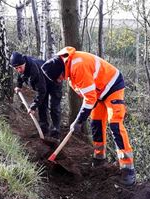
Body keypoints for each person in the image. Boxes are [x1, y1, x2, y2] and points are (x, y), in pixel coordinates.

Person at [41, 46, 136, 186]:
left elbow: (89, 99)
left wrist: (79, 121)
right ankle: (99, 160)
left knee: (115, 124)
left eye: (58, 78)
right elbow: (89, 96)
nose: (60, 81)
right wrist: (81, 118)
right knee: (96, 123)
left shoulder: (77, 66)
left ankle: (128, 169)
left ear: (61, 71)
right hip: (98, 93)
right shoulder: (67, 68)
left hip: (112, 86)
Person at [10, 51, 62, 141]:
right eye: (16, 68)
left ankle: (55, 132)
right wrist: (19, 85)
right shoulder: (22, 66)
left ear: (24, 63)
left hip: (54, 82)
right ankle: (44, 128)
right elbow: (20, 75)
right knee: (42, 105)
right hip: (43, 84)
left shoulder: (34, 70)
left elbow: (42, 91)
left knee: (54, 107)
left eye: (19, 67)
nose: (18, 70)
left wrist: (33, 106)